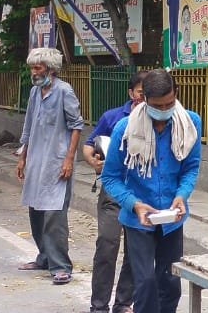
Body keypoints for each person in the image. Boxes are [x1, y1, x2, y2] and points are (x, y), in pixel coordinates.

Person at [101, 70, 202, 313]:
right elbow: (110, 177)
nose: (164, 110)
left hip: (172, 218)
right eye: (158, 106)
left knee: (169, 282)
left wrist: (182, 195)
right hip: (138, 219)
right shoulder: (125, 129)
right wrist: (134, 204)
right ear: (144, 99)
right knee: (145, 282)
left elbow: (190, 168)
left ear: (175, 94)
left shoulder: (190, 123)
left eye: (169, 103)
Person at [16, 47, 84, 285]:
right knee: (35, 210)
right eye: (32, 68)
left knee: (54, 215)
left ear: (51, 69)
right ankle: (43, 257)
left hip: (57, 162)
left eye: (38, 68)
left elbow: (76, 125)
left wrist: (68, 159)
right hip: (36, 160)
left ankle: (61, 265)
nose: (34, 72)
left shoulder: (64, 91)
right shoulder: (36, 92)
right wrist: (22, 156)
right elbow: (28, 125)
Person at [83, 71, 147, 313]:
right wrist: (93, 162)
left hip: (142, 195)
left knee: (135, 250)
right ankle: (99, 306)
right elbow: (89, 144)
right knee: (107, 245)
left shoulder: (158, 119)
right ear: (131, 93)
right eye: (141, 93)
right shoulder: (113, 118)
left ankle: (123, 303)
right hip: (113, 192)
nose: (145, 98)